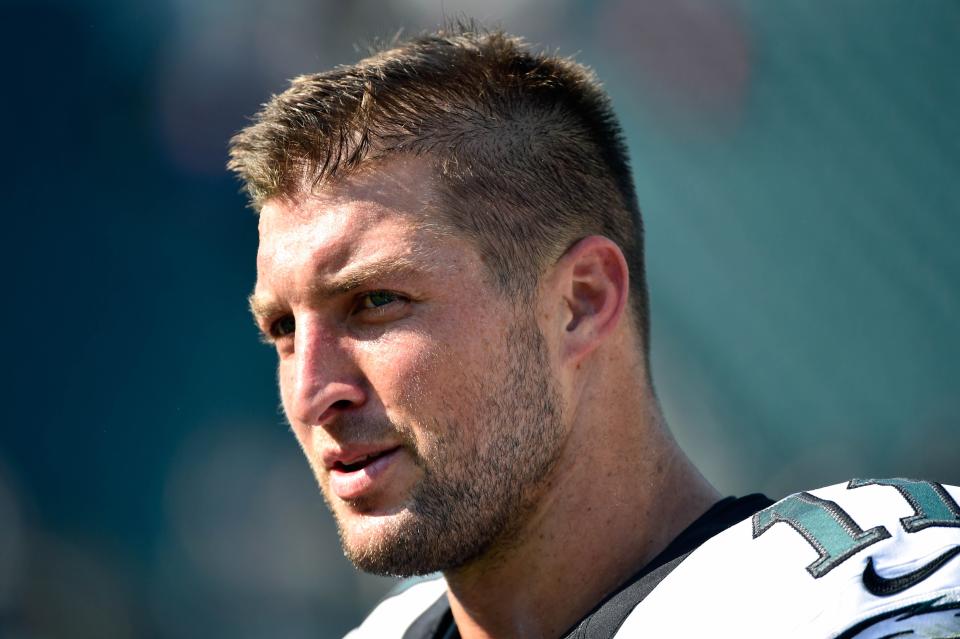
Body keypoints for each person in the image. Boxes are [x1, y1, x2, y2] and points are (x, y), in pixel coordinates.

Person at [228, 26, 960, 639]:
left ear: (580, 302)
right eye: (283, 328)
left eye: (374, 301)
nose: (312, 389)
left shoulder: (838, 603)